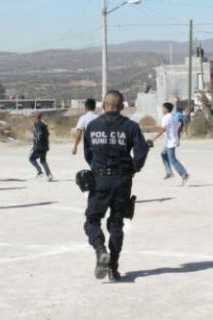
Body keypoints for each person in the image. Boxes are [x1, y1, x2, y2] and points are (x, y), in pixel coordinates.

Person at [83, 90, 150, 282]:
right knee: (116, 223)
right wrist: (133, 169)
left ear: (103, 106)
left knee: (92, 220)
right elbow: (141, 152)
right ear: (122, 107)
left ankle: (100, 250)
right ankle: (113, 268)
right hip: (122, 180)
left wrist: (98, 168)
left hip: (99, 180)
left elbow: (88, 154)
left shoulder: (92, 126)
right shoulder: (131, 126)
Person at [151, 102, 190, 185]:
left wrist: (154, 138)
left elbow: (163, 129)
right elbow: (178, 127)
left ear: (166, 109)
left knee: (172, 160)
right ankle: (169, 172)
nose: (162, 110)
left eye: (163, 108)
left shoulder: (166, 118)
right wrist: (178, 139)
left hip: (170, 142)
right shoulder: (174, 116)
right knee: (163, 154)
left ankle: (184, 174)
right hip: (172, 140)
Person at [29, 111, 53, 180]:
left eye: (33, 116)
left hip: (39, 146)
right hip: (45, 146)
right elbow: (47, 134)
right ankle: (49, 175)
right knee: (43, 160)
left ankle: (40, 172)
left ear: (36, 117)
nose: (32, 118)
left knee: (31, 158)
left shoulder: (38, 124)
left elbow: (39, 134)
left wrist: (36, 141)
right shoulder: (43, 124)